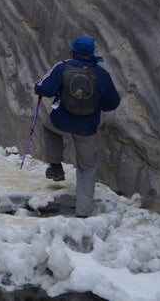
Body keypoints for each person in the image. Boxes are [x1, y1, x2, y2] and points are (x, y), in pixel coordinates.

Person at [34, 35, 120, 218]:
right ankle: (83, 213)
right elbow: (112, 103)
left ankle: (55, 165)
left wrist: (41, 87)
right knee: (87, 167)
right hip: (87, 129)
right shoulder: (101, 74)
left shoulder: (62, 67)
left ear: (72, 50)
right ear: (92, 53)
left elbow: (43, 88)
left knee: (47, 126)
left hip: (61, 122)